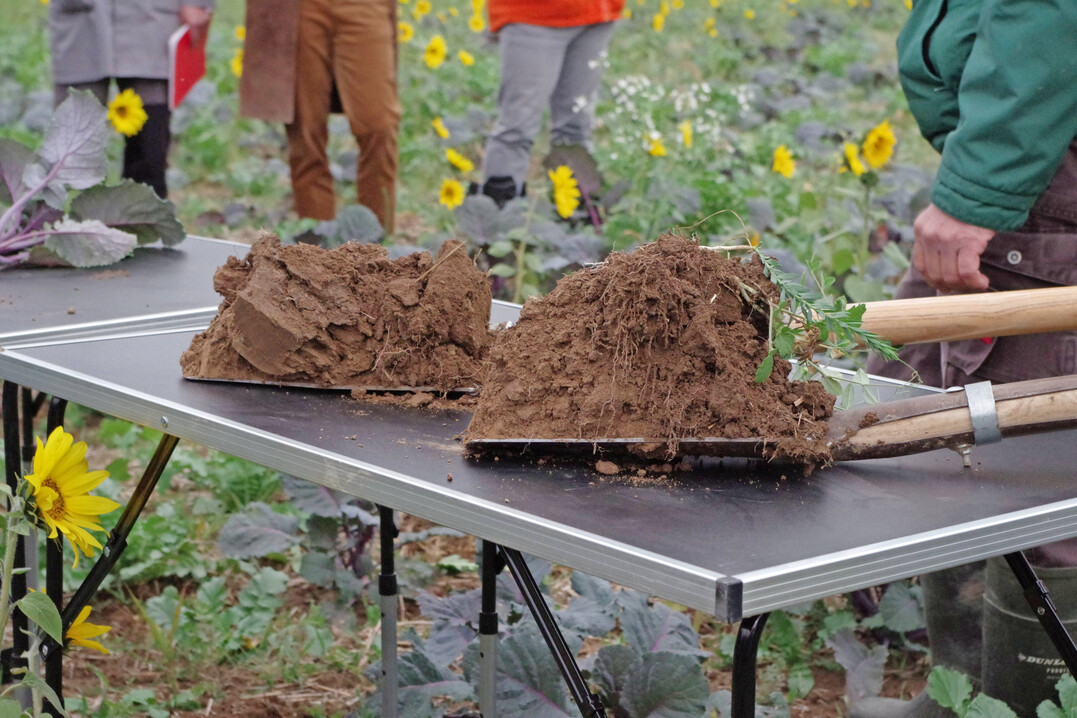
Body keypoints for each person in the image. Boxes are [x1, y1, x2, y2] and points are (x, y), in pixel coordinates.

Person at [853, 1, 1077, 716]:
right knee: (941, 418)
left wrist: (977, 190)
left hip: (1040, 153)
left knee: (1029, 478)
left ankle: (1018, 708)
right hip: (1025, 146)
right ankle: (962, 695)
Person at [239, 0, 400, 233]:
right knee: (305, 134)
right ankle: (316, 252)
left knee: (379, 125)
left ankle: (377, 247)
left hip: (365, 6)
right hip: (298, 7)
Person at [48, 0, 215, 199]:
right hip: (81, 24)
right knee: (71, 155)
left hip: (152, 21)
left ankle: (144, 226)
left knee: (149, 153)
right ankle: (66, 227)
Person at [475, 0, 625, 205]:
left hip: (597, 13)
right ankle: (498, 214)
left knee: (576, 125)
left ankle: (577, 210)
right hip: (533, 14)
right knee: (517, 126)